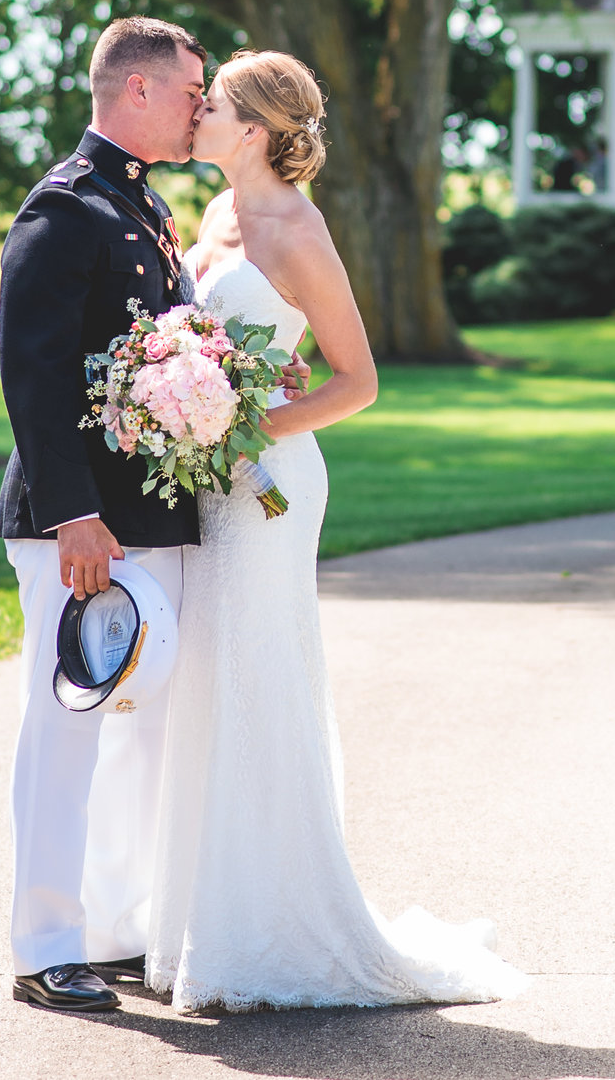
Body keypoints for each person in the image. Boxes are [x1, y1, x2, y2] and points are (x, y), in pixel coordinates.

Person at [142, 49, 529, 1012]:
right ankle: (199, 922)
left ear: (259, 130)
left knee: (259, 680)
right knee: (206, 686)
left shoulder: (297, 233)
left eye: (214, 103)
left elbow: (357, 380)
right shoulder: (217, 217)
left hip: (269, 485)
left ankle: (275, 929)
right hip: (211, 482)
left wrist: (241, 422)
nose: (196, 112)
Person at [0, 17, 260, 1013]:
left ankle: (111, 930)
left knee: (140, 727)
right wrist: (71, 516)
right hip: (80, 526)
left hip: (147, 511)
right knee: (66, 725)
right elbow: (31, 373)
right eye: (193, 89)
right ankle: (43, 942)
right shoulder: (64, 209)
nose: (201, 105)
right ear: (140, 91)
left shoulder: (138, 203)